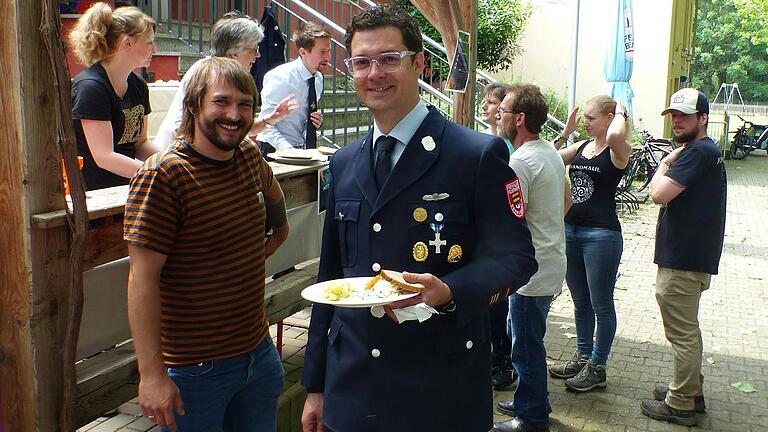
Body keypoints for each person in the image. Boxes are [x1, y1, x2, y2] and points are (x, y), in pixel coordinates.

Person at [300, 6, 538, 432]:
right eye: (362, 62)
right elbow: (332, 276)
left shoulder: (475, 154)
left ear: (419, 63)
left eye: (390, 58)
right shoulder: (346, 161)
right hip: (352, 388)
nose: (375, 73)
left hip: (438, 389)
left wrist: (449, 290)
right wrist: (315, 384)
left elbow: (516, 257)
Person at [124, 57, 289, 432]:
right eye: (221, 101)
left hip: (258, 355)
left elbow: (274, 194)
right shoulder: (163, 175)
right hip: (195, 372)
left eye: (244, 104)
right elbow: (141, 279)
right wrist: (151, 375)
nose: (234, 114)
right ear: (194, 104)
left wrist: (277, 234)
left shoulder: (248, 155)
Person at [640, 88, 726, 427]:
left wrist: (662, 164)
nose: (677, 121)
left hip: (684, 260)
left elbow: (658, 194)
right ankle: (692, 390)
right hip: (693, 257)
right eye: (673, 115)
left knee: (682, 334)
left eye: (684, 115)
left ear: (702, 119)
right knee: (687, 329)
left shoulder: (696, 153)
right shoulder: (704, 150)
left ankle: (680, 404)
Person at [493, 84, 568, 432]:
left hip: (531, 271)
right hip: (549, 260)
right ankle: (528, 398)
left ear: (519, 118)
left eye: (504, 110)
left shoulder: (520, 161)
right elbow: (567, 201)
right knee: (523, 335)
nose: (497, 115)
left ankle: (532, 416)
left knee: (525, 347)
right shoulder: (549, 151)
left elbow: (510, 219)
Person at [548, 95, 632, 392]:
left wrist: (622, 111)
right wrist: (565, 132)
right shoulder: (582, 147)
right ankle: (583, 356)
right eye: (584, 117)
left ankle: (598, 366)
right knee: (580, 301)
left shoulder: (619, 149)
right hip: (571, 231)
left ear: (610, 118)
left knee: (601, 304)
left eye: (590, 118)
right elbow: (548, 158)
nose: (584, 122)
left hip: (602, 235)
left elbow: (615, 134)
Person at [153, 11, 297, 149]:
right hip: (181, 157)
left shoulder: (231, 76)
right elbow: (185, 130)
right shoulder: (207, 73)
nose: (258, 55)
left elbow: (232, 127)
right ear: (235, 51)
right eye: (254, 49)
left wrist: (271, 118)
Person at [69, 2, 164, 191]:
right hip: (95, 193)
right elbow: (104, 156)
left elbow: (141, 144)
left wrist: (172, 162)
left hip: (126, 186)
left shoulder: (138, 86)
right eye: (149, 43)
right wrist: (160, 174)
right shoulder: (91, 88)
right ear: (127, 42)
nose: (155, 49)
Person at [480, 81, 517, 390]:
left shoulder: (505, 148)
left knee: (498, 307)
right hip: (489, 239)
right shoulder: (492, 141)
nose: (485, 107)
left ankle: (503, 363)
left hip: (497, 240)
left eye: (492, 103)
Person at [256, 21, 331, 153]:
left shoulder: (317, 79)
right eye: (322, 52)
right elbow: (266, 126)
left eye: (329, 51)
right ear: (303, 52)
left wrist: (315, 122)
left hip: (302, 150)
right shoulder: (280, 77)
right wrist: (289, 150)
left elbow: (304, 116)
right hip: (275, 151)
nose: (328, 57)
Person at [481, 82, 514, 157]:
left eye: (491, 102)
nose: (484, 106)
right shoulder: (480, 136)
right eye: (484, 102)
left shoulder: (514, 143)